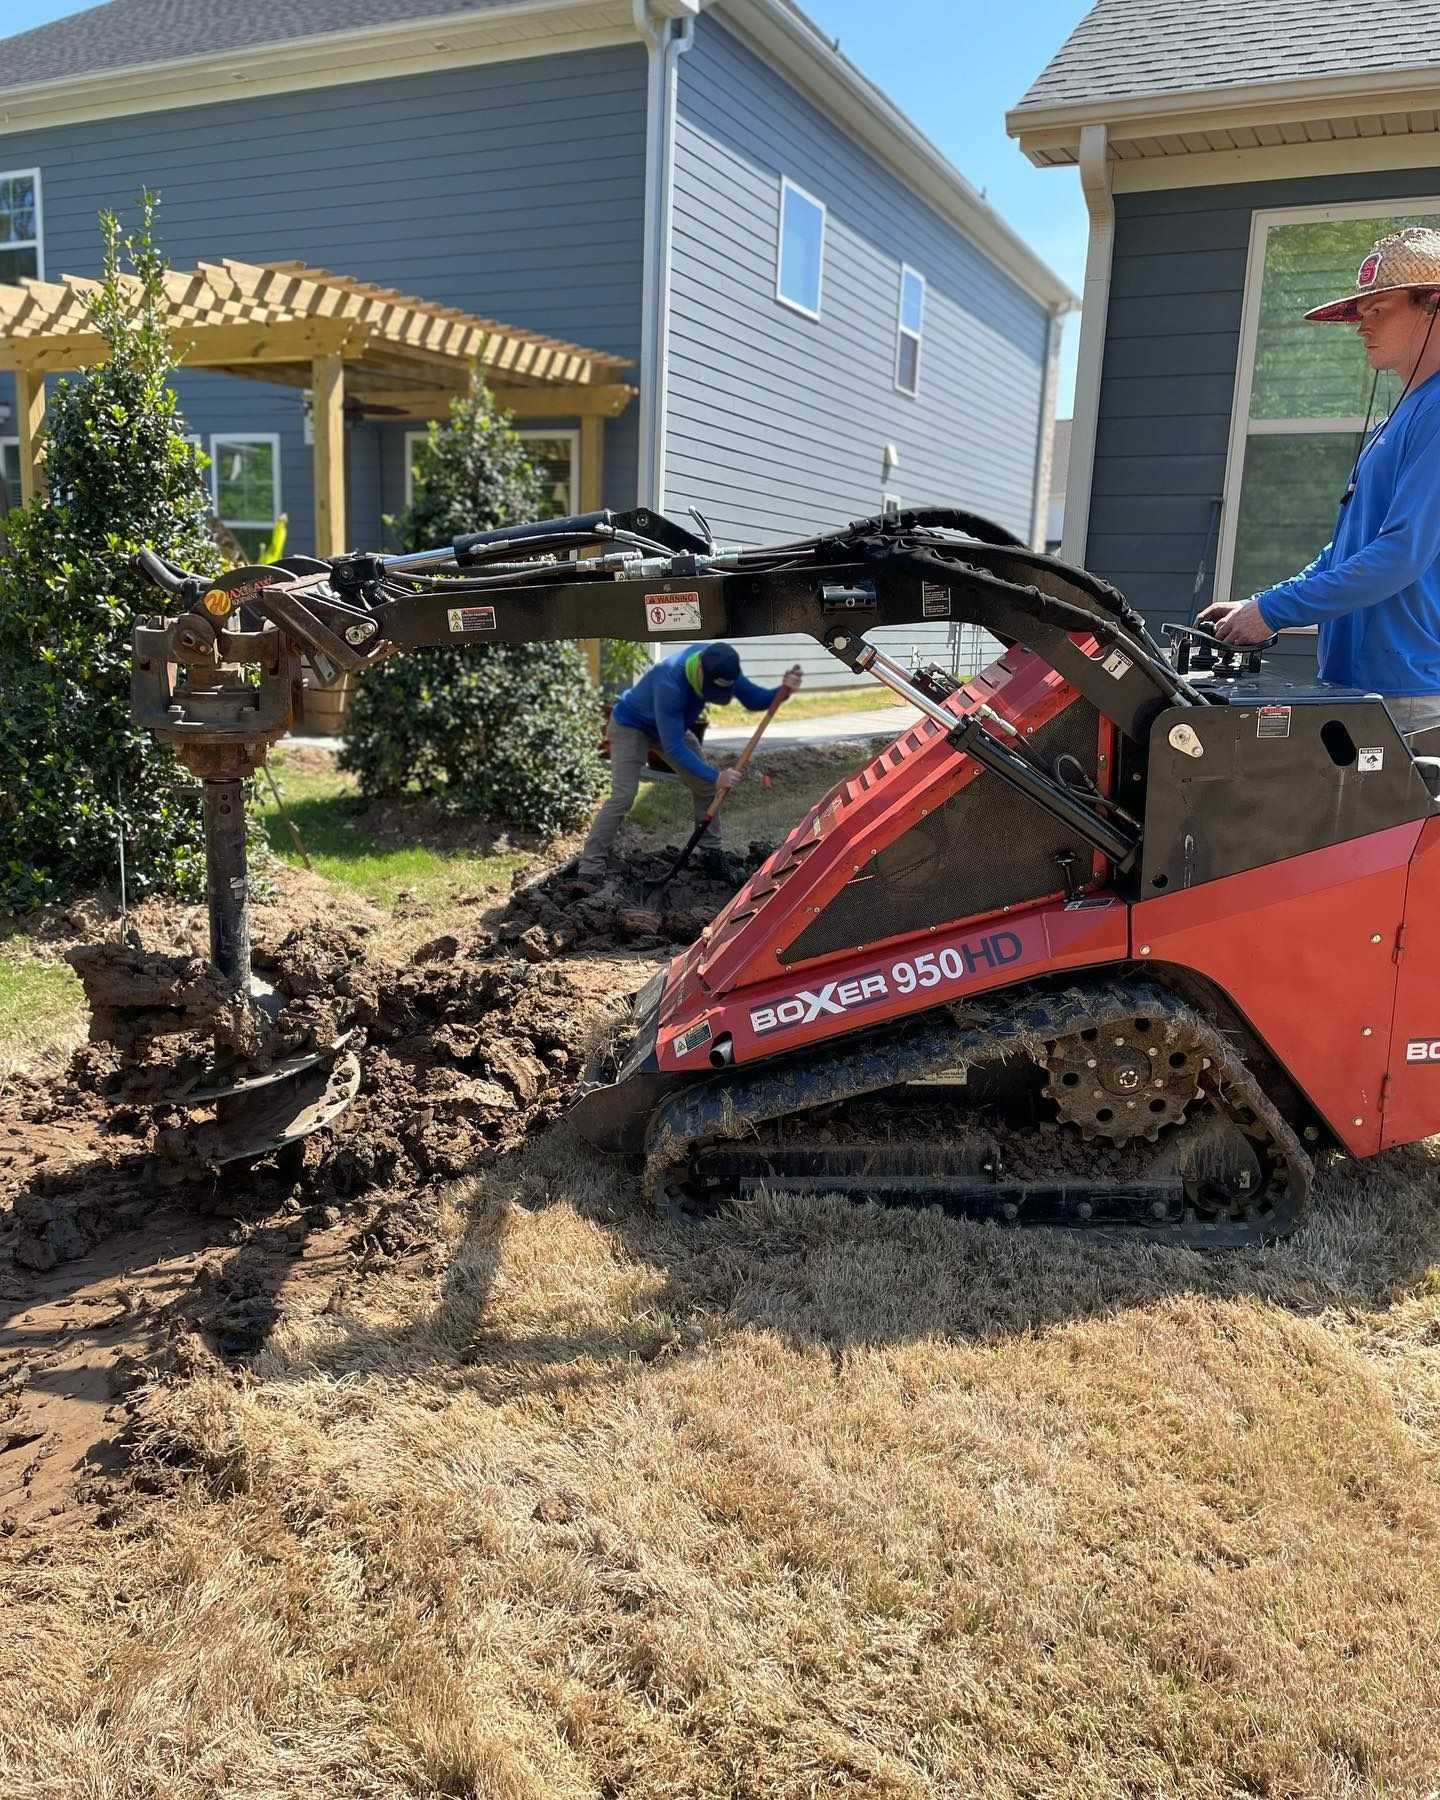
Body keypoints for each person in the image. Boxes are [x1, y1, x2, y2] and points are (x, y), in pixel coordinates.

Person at [1199, 227, 1440, 742]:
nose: (1361, 328)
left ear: (1432, 305)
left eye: (1378, 310)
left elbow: (1402, 554)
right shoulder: (1404, 414)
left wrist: (1274, 612)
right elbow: (1349, 549)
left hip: (1416, 697)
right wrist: (1262, 604)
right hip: (1365, 689)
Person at [578, 642, 803, 882]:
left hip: (671, 727)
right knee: (623, 796)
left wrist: (783, 690)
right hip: (631, 726)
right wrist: (717, 776)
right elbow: (673, 747)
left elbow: (753, 699)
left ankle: (711, 855)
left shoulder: (722, 663)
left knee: (707, 788)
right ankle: (590, 868)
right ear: (699, 671)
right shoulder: (669, 681)